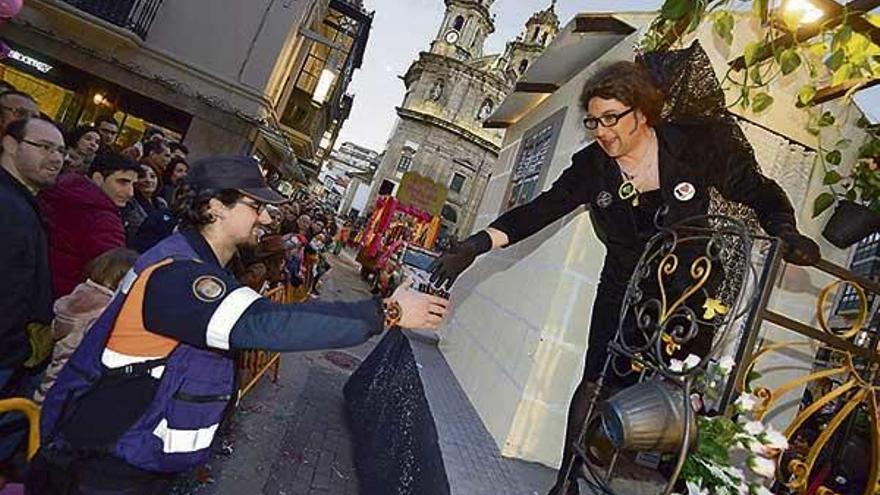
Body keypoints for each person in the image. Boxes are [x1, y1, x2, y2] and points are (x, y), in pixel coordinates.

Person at [429, 61, 820, 495]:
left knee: (681, 387)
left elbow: (756, 188)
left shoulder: (693, 145)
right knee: (597, 379)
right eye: (593, 121)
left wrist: (784, 230)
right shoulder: (592, 167)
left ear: (643, 112)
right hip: (624, 286)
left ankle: (673, 483)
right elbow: (539, 211)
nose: (602, 130)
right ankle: (567, 481)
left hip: (691, 288)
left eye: (611, 118)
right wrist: (475, 245)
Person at [28, 155, 449, 494]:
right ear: (214, 206)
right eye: (255, 206)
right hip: (107, 465)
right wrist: (385, 312)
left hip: (134, 456)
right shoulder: (180, 275)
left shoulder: (197, 263)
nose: (265, 219)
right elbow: (267, 323)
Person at [0, 117, 64, 465]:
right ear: (11, 144)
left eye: (60, 151)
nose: (56, 157)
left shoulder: (25, 203)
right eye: (44, 147)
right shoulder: (7, 204)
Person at [34, 248, 139, 404]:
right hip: (71, 391)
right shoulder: (103, 312)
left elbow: (57, 331)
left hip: (52, 380)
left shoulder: (77, 297)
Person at [41, 152, 141, 298]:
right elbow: (113, 273)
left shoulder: (60, 192)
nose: (130, 192)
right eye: (122, 182)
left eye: (133, 184)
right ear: (98, 178)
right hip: (69, 300)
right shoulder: (103, 219)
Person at [123, 162, 169, 242]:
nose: (148, 180)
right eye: (141, 176)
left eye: (152, 176)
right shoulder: (129, 203)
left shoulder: (161, 203)